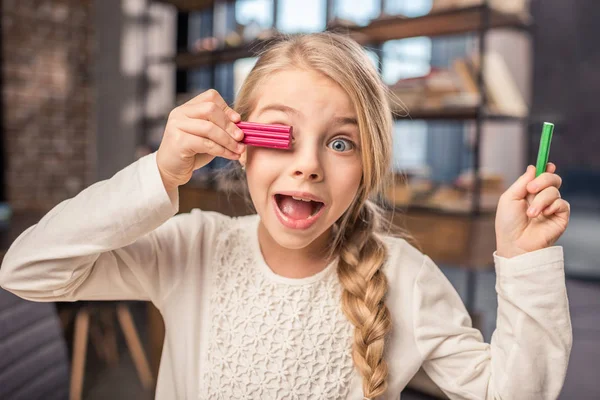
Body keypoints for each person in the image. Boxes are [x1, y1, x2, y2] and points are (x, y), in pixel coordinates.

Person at [0, 33, 571, 400]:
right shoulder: (191, 248)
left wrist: (525, 265)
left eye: (341, 144)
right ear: (240, 144)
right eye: (281, 134)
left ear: (369, 166)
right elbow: (27, 270)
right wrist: (159, 174)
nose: (308, 166)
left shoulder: (406, 277)